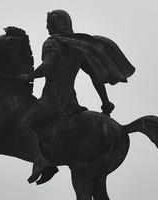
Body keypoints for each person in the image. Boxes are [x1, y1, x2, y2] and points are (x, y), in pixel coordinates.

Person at [19, 9, 135, 184]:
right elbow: (95, 77)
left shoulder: (52, 43)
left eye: (48, 23)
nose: (46, 26)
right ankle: (49, 163)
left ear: (56, 23)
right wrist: (105, 101)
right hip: (71, 103)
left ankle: (40, 160)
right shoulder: (77, 46)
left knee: (23, 125)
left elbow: (48, 66)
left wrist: (29, 76)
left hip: (51, 100)